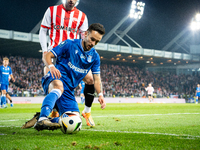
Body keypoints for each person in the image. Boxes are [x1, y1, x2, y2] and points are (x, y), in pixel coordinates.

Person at [22, 23, 106, 131]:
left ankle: (42, 119)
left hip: (68, 91)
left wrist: (100, 94)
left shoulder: (95, 57)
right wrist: (51, 67)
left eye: (97, 41)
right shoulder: (70, 44)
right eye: (92, 39)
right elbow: (47, 56)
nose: (93, 43)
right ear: (85, 34)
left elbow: (97, 79)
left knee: (75, 122)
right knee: (59, 86)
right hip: (55, 78)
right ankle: (43, 118)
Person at [39, 0, 97, 126]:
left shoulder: (82, 16)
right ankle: (52, 112)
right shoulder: (52, 10)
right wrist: (44, 50)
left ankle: (87, 111)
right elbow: (43, 31)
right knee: (54, 83)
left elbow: (84, 38)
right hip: (55, 52)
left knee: (90, 79)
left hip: (72, 55)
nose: (71, 0)